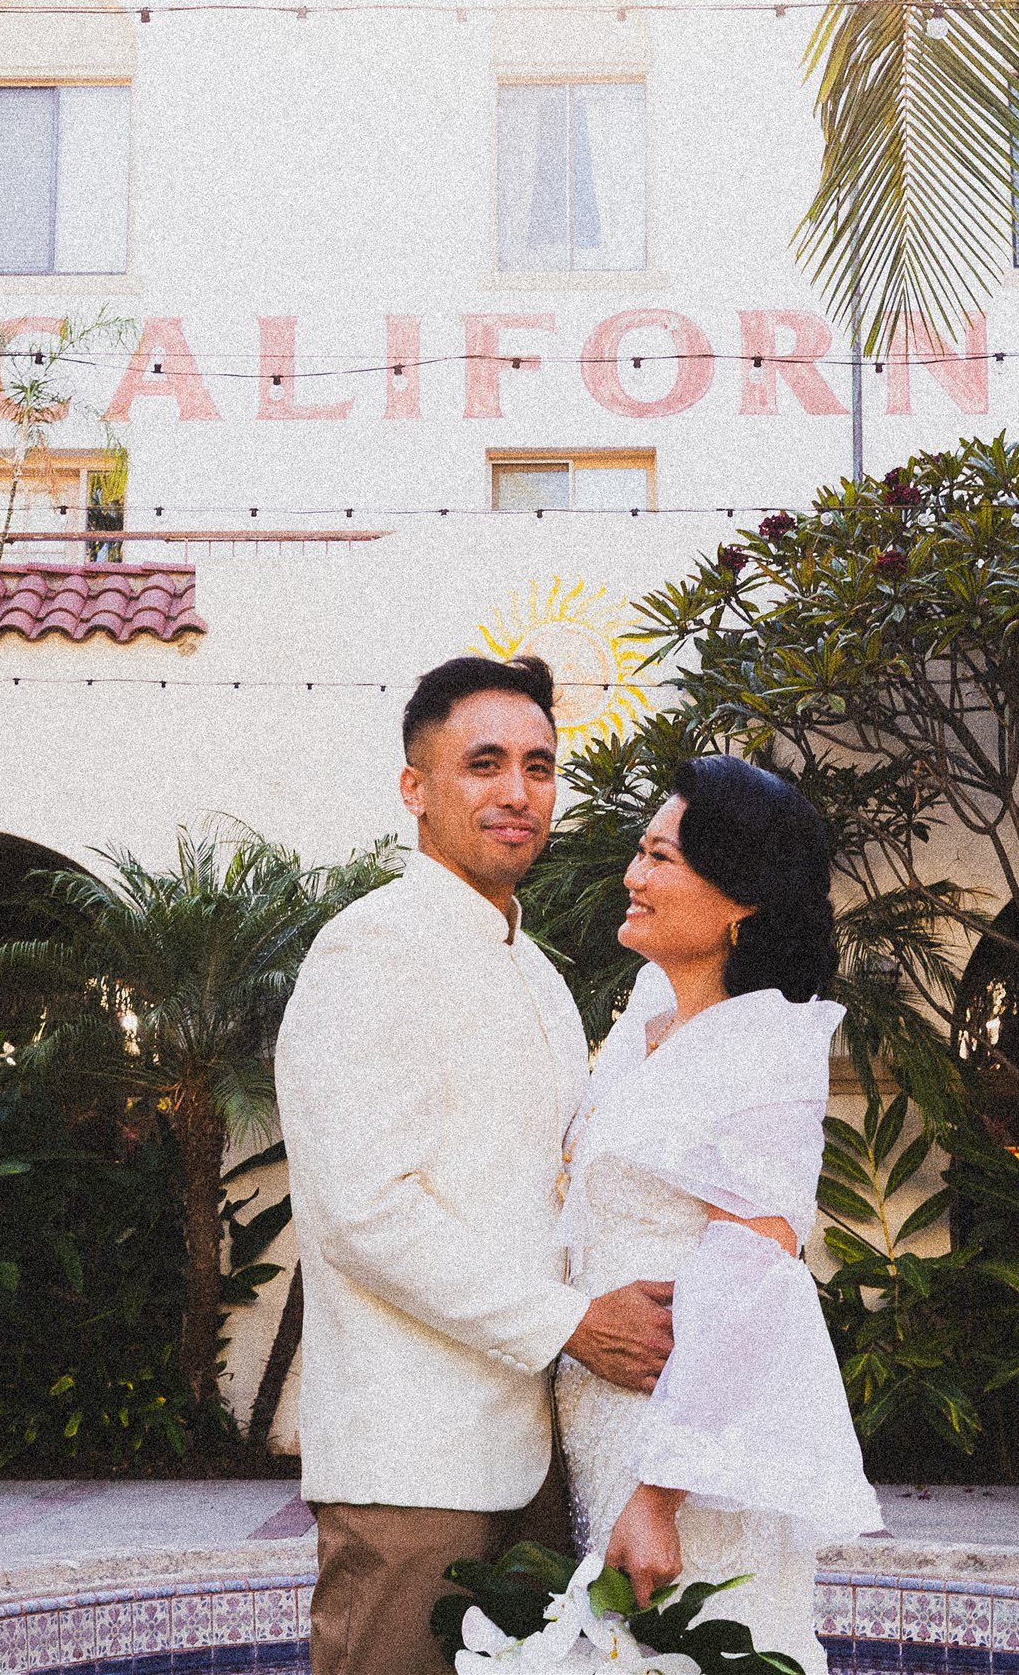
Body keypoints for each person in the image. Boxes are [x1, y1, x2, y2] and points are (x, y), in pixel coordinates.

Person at [275, 654, 675, 1675]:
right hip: (413, 1464)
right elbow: (367, 1214)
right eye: (483, 762)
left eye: (540, 765)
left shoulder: (538, 974)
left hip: (536, 1453)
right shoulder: (373, 950)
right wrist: (574, 1323)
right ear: (416, 786)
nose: (517, 790)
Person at [555, 754, 884, 1675]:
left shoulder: (768, 1045)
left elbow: (752, 1274)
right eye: (641, 850)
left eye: (661, 857)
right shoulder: (647, 1016)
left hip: (687, 1437)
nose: (633, 874)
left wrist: (659, 1494)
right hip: (599, 1410)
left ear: (740, 899)